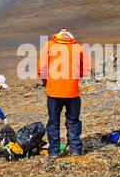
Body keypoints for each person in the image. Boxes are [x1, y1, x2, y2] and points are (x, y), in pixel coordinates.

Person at [38, 28, 91, 158]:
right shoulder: (78, 47)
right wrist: (74, 77)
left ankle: (54, 152)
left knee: (53, 122)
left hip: (54, 92)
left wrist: (46, 81)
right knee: (73, 121)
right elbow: (86, 68)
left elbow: (41, 68)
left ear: (58, 36)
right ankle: (75, 150)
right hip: (72, 92)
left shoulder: (50, 45)